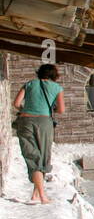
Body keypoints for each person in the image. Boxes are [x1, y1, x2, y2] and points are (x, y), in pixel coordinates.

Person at [11, 64, 65, 205]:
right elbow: (61, 110)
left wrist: (27, 109)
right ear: (54, 76)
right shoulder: (57, 88)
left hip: (26, 121)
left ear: (39, 73)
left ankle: (36, 194)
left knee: (32, 156)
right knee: (42, 157)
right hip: (45, 123)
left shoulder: (29, 84)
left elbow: (16, 103)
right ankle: (42, 196)